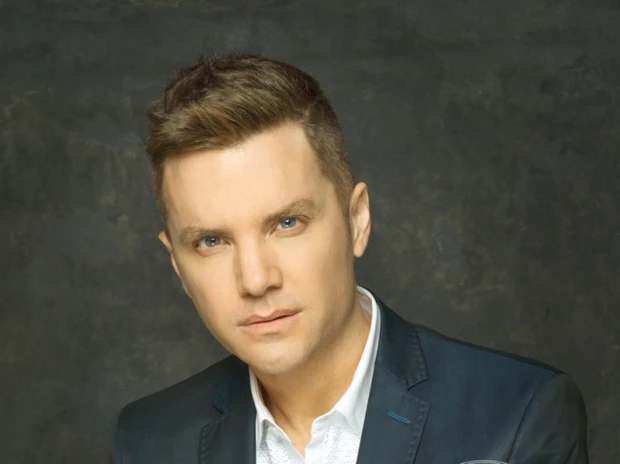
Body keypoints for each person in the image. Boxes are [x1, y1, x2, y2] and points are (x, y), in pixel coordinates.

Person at [113, 53, 589, 464]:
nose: (255, 280)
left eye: (287, 223)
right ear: (177, 264)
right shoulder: (148, 440)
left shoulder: (519, 413)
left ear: (357, 219)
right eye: (212, 241)